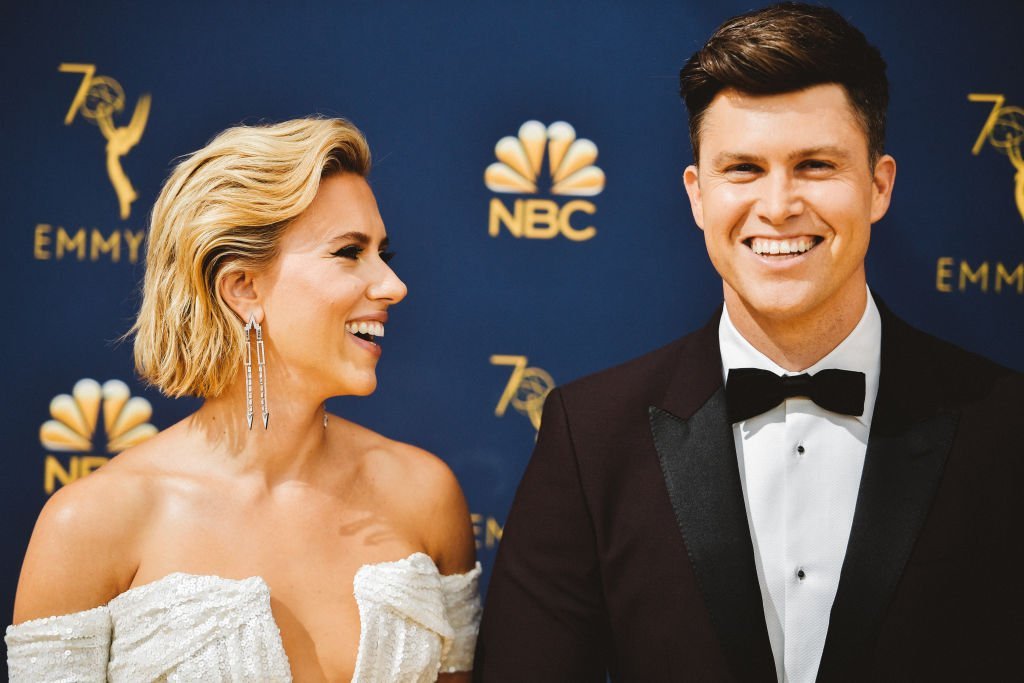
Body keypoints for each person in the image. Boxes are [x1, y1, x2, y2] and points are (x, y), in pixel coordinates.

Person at [475, 4, 1023, 681]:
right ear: (698, 193)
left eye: (815, 165)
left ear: (879, 186)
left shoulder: (1006, 429)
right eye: (743, 169)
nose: (778, 204)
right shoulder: (589, 438)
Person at [7, 118, 481, 681]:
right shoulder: (90, 524)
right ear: (243, 288)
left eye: (383, 252)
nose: (393, 285)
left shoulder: (425, 495)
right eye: (350, 252)